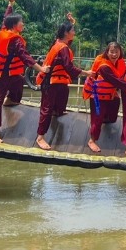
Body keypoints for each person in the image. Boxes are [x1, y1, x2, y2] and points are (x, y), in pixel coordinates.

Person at [0, 0, 48, 144]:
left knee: (18, 82)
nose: (23, 24)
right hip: (1, 73)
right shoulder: (15, 40)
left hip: (1, 70)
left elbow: (6, 17)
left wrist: (10, 4)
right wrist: (42, 69)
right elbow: (25, 57)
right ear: (15, 25)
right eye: (21, 22)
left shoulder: (4, 30)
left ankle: (11, 100)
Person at [35, 14, 94, 151]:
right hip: (50, 81)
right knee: (46, 109)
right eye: (72, 30)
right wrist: (86, 73)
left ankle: (58, 111)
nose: (74, 33)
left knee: (64, 93)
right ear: (66, 33)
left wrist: (73, 22)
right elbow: (69, 67)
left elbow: (67, 49)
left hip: (59, 81)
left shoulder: (60, 43)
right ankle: (40, 137)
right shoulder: (61, 48)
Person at [82, 41, 126, 153]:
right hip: (97, 96)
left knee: (113, 115)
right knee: (97, 119)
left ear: (120, 52)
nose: (114, 54)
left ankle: (105, 118)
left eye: (116, 52)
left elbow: (125, 74)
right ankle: (92, 140)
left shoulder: (120, 63)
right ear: (107, 52)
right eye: (111, 52)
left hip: (110, 94)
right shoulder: (103, 67)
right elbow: (115, 81)